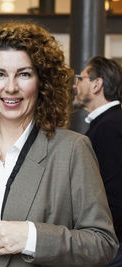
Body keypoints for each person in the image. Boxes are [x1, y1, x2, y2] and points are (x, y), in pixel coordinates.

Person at [0, 21, 119, 267]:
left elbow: (103, 243)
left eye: (24, 74)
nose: (10, 87)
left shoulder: (71, 149)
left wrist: (32, 238)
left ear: (42, 82)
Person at [73, 56, 122, 267]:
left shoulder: (110, 126)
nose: (75, 85)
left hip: (112, 245)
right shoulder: (107, 123)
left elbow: (114, 193)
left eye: (80, 78)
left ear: (96, 84)